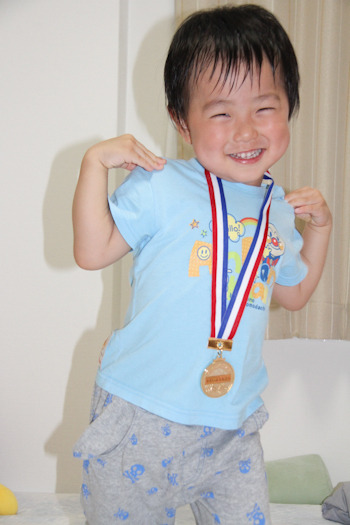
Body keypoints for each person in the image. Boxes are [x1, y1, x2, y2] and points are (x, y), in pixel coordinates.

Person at [72, 4, 332, 524]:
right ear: (182, 122)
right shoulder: (162, 183)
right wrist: (93, 164)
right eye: (220, 113)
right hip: (141, 415)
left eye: (264, 108)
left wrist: (321, 230)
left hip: (232, 428)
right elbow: (91, 251)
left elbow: (295, 294)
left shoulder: (278, 209)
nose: (245, 131)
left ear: (289, 108)